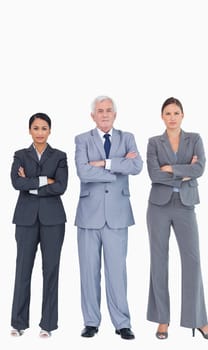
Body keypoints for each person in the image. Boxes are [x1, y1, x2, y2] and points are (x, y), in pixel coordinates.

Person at [146, 97, 208, 340]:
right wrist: (184, 171)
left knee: (193, 260)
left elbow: (200, 169)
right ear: (162, 116)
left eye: (176, 112)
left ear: (183, 115)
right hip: (159, 206)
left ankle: (198, 321)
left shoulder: (195, 139)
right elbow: (154, 175)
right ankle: (162, 320)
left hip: (186, 205)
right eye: (168, 113)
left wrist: (172, 168)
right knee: (159, 261)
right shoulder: (154, 142)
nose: (172, 117)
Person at [74, 95, 143, 340]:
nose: (104, 114)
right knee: (88, 272)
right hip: (88, 216)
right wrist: (117, 167)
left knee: (117, 272)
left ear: (115, 114)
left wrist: (103, 163)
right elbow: (83, 172)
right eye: (100, 111)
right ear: (93, 115)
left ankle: (122, 323)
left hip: (118, 214)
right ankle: (91, 322)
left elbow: (137, 167)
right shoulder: (82, 139)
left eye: (109, 110)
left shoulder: (128, 138)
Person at [10, 113, 68, 338]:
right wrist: (46, 180)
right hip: (25, 219)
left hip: (53, 220)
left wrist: (31, 184)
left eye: (44, 128)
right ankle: (18, 322)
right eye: (36, 128)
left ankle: (48, 325)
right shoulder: (20, 155)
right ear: (29, 130)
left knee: (51, 270)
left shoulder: (60, 156)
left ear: (50, 131)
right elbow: (16, 183)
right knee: (23, 269)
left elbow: (62, 186)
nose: (40, 132)